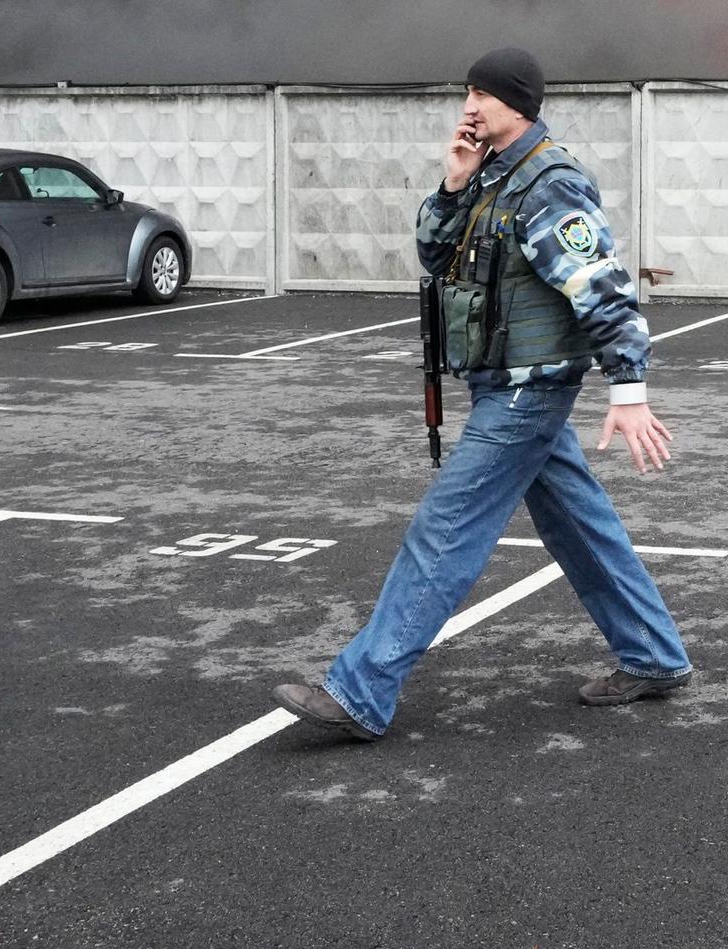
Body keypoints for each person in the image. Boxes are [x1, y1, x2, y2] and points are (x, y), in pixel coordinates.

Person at [272, 47, 691, 740]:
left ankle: (361, 691)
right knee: (579, 528)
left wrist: (630, 389)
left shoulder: (550, 183)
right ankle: (654, 655)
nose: (469, 105)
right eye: (467, 91)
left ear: (518, 103)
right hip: (506, 384)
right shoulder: (492, 177)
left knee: (445, 530)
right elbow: (434, 256)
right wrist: (453, 182)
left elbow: (605, 291)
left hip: (529, 393)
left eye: (483, 94)